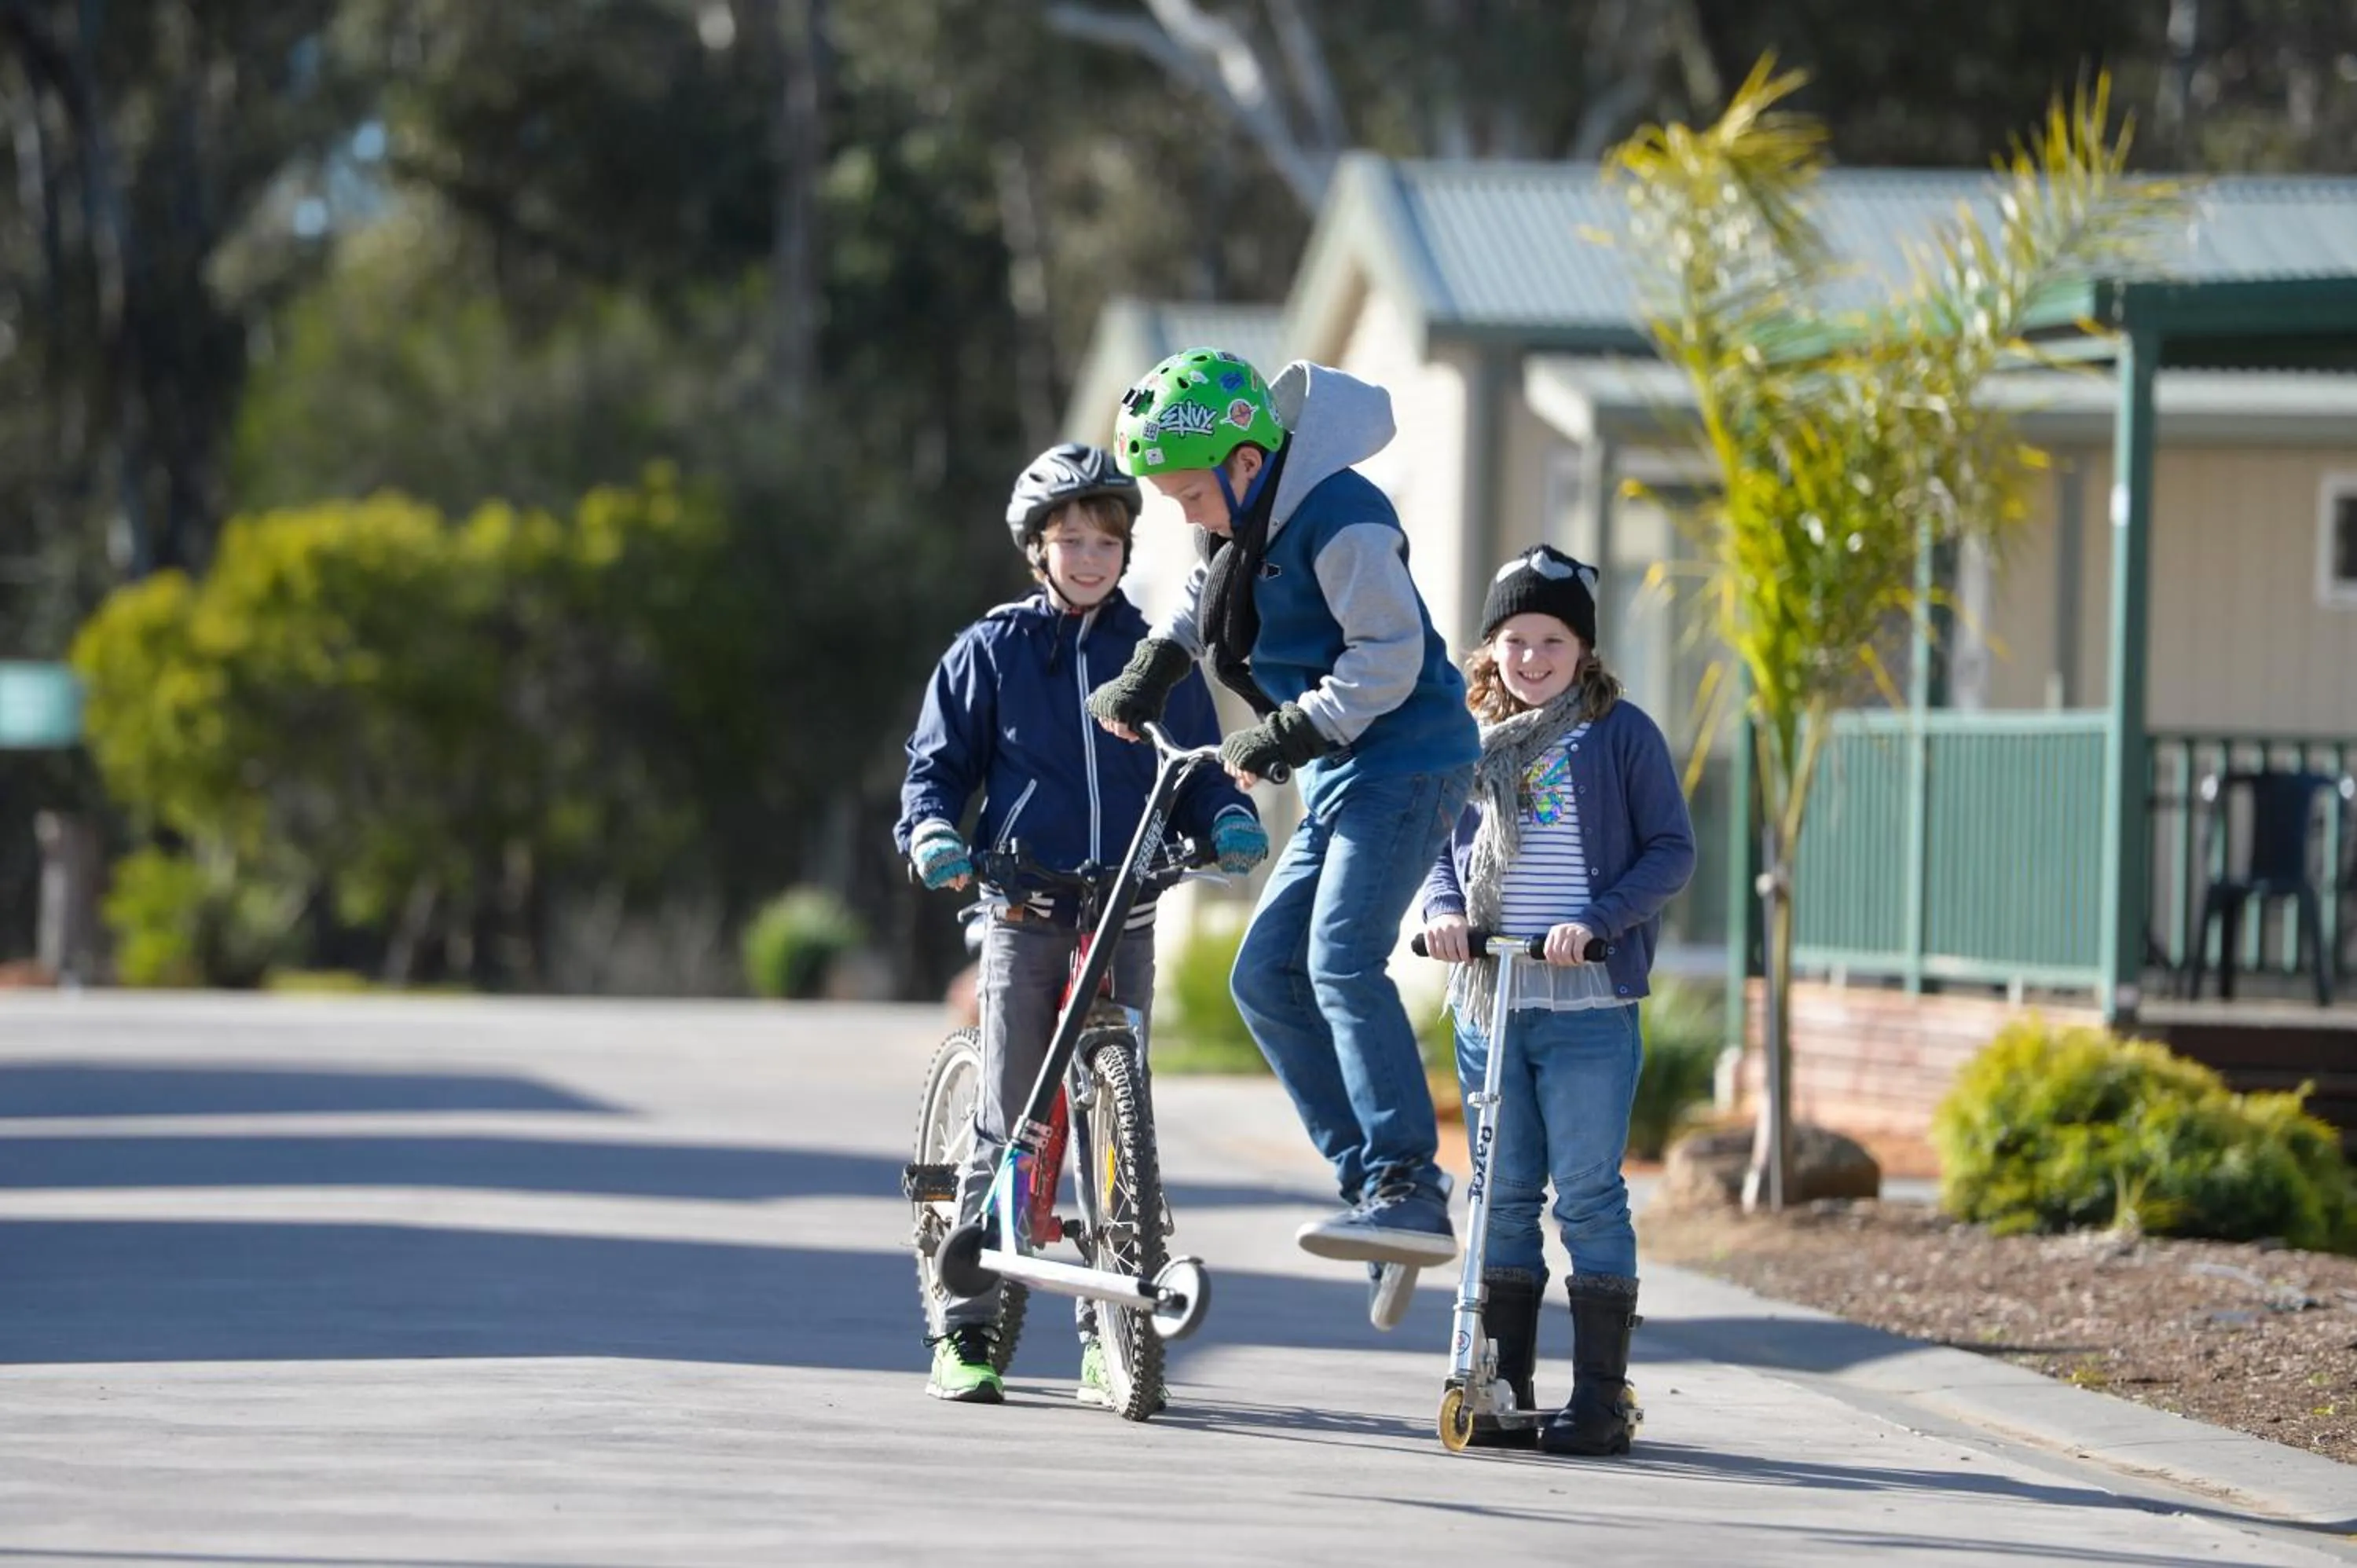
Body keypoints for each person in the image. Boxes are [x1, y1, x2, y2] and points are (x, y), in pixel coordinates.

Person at [1084, 347, 1479, 1280]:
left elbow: (1389, 656)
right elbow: (1203, 601)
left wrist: (1291, 731)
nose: (1188, 514)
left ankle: (1409, 1184)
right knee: (1265, 976)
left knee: (1340, 957)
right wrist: (1152, 670)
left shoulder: (1343, 519)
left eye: (1191, 494)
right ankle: (1373, 1188)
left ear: (1247, 462)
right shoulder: (1240, 521)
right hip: (1345, 776)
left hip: (1410, 761)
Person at [896, 441, 1267, 1406]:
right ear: (1038, 549)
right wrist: (932, 831)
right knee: (1010, 1120)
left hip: (1124, 911)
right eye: (1071, 540)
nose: (1091, 557)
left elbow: (1195, 765)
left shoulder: (1156, 656)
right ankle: (965, 1328)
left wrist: (1225, 816)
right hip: (1026, 907)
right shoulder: (992, 651)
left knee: (1117, 1122)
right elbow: (935, 770)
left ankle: (1111, 1332)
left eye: (1107, 540)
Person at [1417, 544, 1695, 1456]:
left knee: (1586, 1196)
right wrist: (1446, 911)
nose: (1532, 657)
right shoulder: (1465, 741)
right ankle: (1504, 1388)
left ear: (1583, 650)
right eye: (1515, 640)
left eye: (1552, 640)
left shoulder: (1620, 734)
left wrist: (1597, 920)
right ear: (1489, 648)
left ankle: (1601, 1399)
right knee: (1501, 1196)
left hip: (1585, 1004)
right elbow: (1434, 847)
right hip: (1492, 997)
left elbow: (1671, 849)